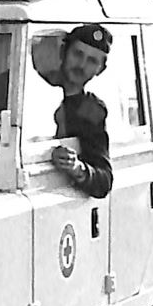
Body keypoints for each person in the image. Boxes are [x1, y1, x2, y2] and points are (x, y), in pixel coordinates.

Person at [48, 22, 113, 198]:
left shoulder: (90, 111)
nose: (81, 65)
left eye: (92, 61)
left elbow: (104, 180)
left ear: (100, 69)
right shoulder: (29, 87)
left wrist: (77, 168)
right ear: (64, 52)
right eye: (78, 54)